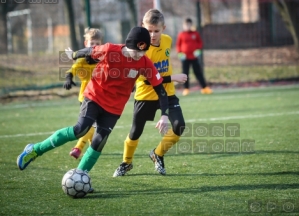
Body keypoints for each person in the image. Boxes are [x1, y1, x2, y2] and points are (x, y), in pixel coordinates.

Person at [17, 27, 170, 190]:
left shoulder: (145, 62)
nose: (140, 55)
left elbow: (160, 89)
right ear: (128, 45)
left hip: (114, 108)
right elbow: (90, 50)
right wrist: (74, 55)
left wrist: (164, 115)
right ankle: (35, 150)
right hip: (94, 96)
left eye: (144, 51)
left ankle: (80, 176)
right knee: (80, 130)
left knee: (99, 141)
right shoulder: (110, 50)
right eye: (137, 51)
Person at [113, 9, 187, 177]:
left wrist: (169, 80)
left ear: (164, 28)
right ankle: (126, 162)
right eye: (149, 30)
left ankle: (157, 154)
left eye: (156, 31)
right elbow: (147, 80)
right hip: (145, 94)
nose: (152, 35)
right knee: (135, 132)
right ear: (143, 26)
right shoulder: (141, 49)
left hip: (167, 94)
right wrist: (173, 77)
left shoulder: (167, 41)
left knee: (179, 126)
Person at [63, 28, 102, 159]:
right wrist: (69, 78)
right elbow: (72, 70)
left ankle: (90, 144)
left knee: (93, 125)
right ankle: (78, 148)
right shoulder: (82, 60)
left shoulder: (103, 60)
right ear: (86, 44)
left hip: (101, 97)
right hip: (86, 98)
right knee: (91, 125)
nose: (94, 46)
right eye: (92, 44)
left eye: (97, 44)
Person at [176, 17, 213, 96]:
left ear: (191, 25)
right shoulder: (181, 34)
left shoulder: (195, 34)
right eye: (186, 25)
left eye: (189, 25)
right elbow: (178, 45)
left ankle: (204, 88)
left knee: (198, 72)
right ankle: (186, 89)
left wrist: (198, 50)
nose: (187, 27)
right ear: (183, 26)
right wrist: (180, 53)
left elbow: (200, 43)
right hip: (185, 58)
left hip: (194, 57)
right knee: (185, 73)